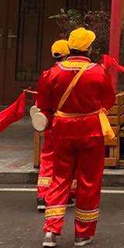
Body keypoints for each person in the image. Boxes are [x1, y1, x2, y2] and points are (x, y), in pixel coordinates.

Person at [36, 28, 116, 248]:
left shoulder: (51, 73)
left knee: (59, 178)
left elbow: (43, 106)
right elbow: (108, 101)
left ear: (69, 47)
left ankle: (51, 230)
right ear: (89, 48)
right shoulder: (98, 72)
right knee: (89, 181)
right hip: (90, 128)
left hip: (62, 129)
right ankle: (83, 233)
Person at [36, 39, 72, 211]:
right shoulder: (73, 73)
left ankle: (43, 196)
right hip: (70, 123)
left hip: (52, 123)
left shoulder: (47, 74)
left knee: (48, 159)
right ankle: (69, 195)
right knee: (70, 160)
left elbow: (42, 103)